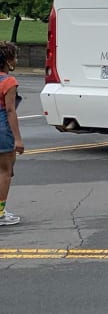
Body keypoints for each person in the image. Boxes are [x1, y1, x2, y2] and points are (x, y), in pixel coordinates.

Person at [0, 41, 24, 226]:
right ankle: (0, 212)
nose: (16, 60)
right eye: (14, 56)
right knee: (5, 172)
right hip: (2, 130)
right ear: (8, 61)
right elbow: (10, 111)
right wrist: (17, 138)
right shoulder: (9, 81)